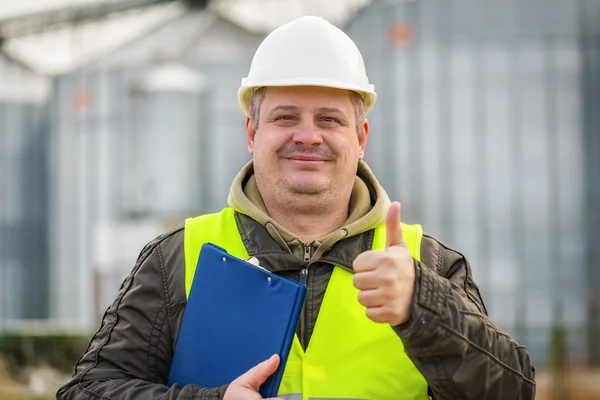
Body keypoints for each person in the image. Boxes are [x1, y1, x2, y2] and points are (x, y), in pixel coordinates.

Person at [56, 15, 535, 400]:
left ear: (361, 137)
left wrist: (423, 306)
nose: (308, 136)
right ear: (251, 133)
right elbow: (89, 391)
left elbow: (515, 391)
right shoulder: (176, 259)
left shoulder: (427, 265)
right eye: (286, 117)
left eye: (329, 119)